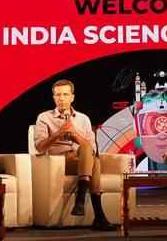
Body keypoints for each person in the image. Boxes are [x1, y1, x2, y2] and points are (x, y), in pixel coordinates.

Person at [33, 79, 116, 232]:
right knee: (95, 162)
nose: (61, 98)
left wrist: (75, 135)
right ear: (53, 97)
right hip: (59, 162)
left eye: (65, 94)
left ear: (72, 97)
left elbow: (92, 148)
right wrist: (59, 133)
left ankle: (83, 202)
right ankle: (97, 214)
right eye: (58, 95)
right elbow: (39, 147)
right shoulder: (44, 117)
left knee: (89, 152)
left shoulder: (83, 119)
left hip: (81, 159)